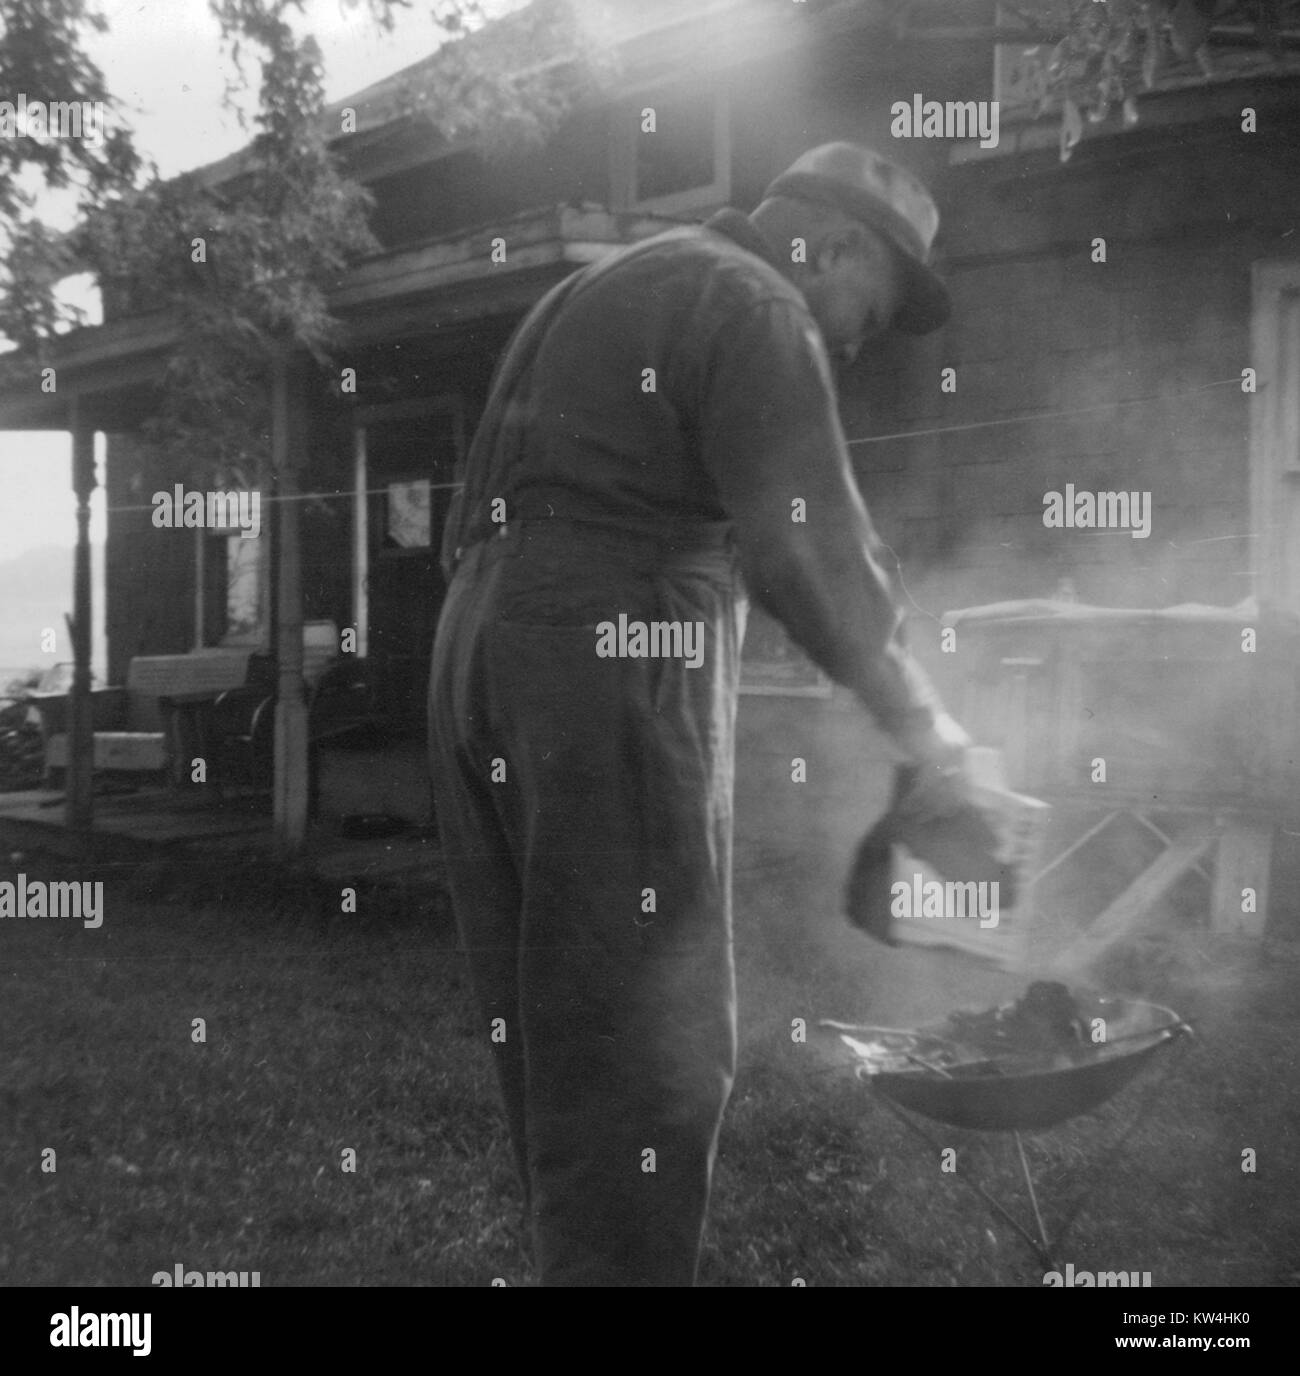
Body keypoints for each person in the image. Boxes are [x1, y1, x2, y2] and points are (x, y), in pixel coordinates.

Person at [429, 142, 975, 1286]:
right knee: (643, 1060)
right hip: (606, 650)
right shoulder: (758, 302)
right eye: (870, 307)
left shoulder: (611, 281)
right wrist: (934, 740)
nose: (855, 343)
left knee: (559, 1048)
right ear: (830, 244)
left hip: (478, 652)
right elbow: (811, 549)